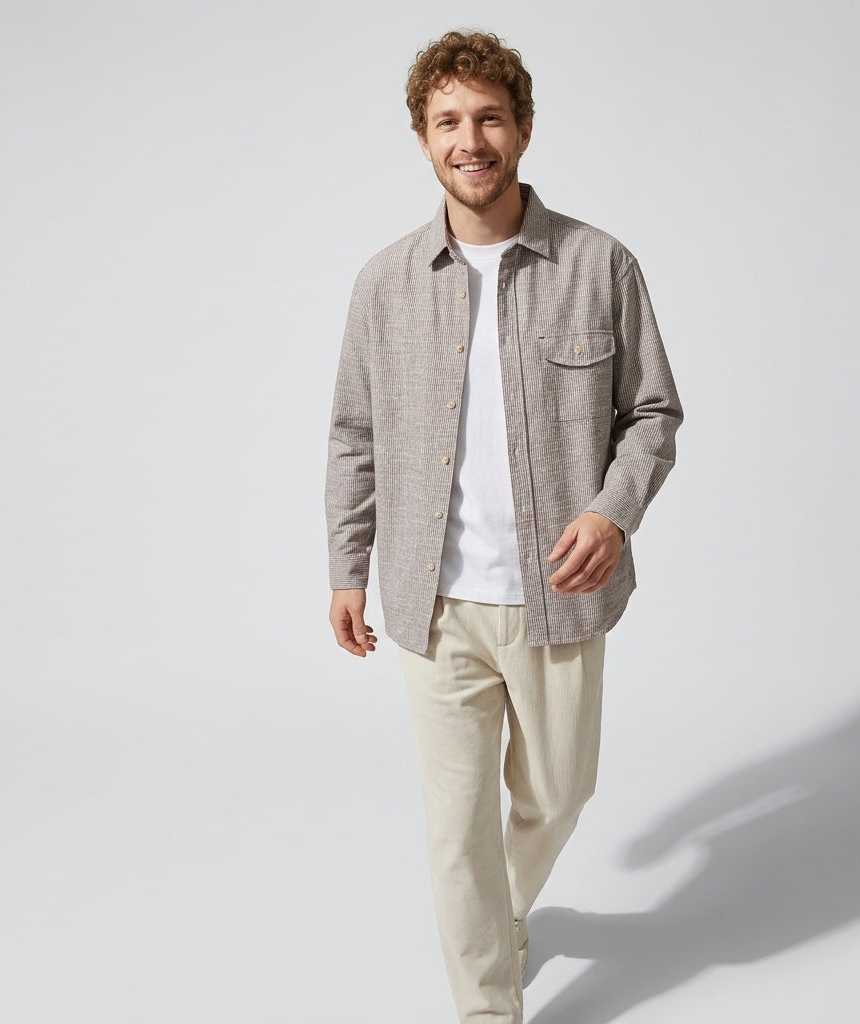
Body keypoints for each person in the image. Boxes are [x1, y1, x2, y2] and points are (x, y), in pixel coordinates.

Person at [325, 29, 683, 1024]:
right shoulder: (384, 283)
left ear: (523, 129)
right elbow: (353, 434)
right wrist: (347, 567)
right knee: (456, 828)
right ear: (422, 138)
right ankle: (488, 1004)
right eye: (447, 121)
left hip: (555, 595)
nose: (469, 139)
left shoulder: (598, 264)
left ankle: (500, 912)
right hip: (431, 599)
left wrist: (613, 513)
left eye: (488, 117)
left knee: (559, 793)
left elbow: (653, 412)